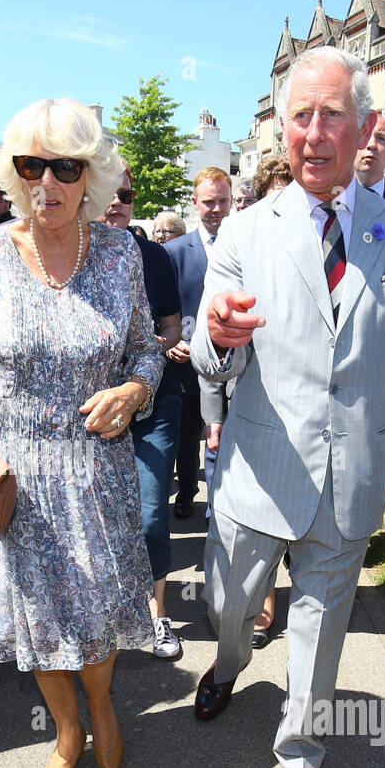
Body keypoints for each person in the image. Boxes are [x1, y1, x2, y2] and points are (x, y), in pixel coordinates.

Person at [190, 47, 385, 768]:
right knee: (230, 605)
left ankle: (302, 755)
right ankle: (228, 665)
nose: (316, 132)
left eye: (334, 115)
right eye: (302, 116)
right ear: (282, 131)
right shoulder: (246, 232)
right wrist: (220, 338)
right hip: (259, 469)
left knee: (322, 626)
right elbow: (206, 348)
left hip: (352, 471)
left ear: (364, 127)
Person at [0, 97, 161, 768]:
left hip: (96, 469)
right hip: (15, 474)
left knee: (95, 611)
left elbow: (147, 353)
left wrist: (132, 390)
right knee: (40, 615)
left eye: (66, 167)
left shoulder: (123, 252)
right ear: (12, 171)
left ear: (89, 176)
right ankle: (67, 734)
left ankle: (102, 709)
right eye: (31, 165)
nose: (48, 183)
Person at [97, 163, 183, 659]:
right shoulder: (73, 259)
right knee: (100, 515)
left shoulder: (155, 256)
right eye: (108, 192)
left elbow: (173, 326)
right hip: (92, 412)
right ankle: (105, 607)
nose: (117, 202)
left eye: (125, 194)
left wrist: (153, 347)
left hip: (155, 404)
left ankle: (157, 616)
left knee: (151, 512)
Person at [208, 152, 293, 648]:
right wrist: (212, 417)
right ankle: (237, 627)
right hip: (250, 417)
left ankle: (267, 608)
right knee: (247, 533)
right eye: (277, 192)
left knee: (288, 525)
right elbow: (214, 343)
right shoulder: (243, 247)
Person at [165, 166, 232, 519]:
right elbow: (162, 309)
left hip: (234, 363)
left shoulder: (243, 246)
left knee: (223, 437)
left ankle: (223, 505)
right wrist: (168, 343)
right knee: (189, 435)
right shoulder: (175, 251)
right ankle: (188, 491)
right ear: (195, 203)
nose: (217, 208)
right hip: (186, 363)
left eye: (223, 200)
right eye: (209, 202)